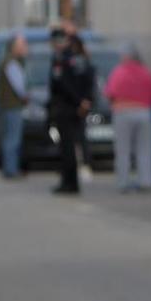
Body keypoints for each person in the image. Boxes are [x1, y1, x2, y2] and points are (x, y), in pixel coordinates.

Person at [104, 45, 151, 192]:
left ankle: (123, 181)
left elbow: (110, 93)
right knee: (145, 148)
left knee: (123, 150)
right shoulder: (146, 72)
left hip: (123, 111)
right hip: (144, 111)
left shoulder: (119, 72)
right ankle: (146, 181)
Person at [48, 27, 94, 195]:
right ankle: (70, 181)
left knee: (67, 147)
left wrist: (79, 102)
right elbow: (89, 81)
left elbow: (63, 85)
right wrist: (86, 102)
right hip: (77, 108)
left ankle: (69, 182)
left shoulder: (62, 59)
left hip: (66, 108)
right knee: (73, 145)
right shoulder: (81, 59)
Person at [0, 33, 30, 179]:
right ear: (14, 48)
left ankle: (10, 167)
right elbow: (19, 87)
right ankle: (11, 169)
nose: (25, 48)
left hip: (7, 105)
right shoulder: (11, 63)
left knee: (9, 137)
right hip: (12, 106)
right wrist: (25, 97)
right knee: (12, 138)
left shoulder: (9, 61)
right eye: (22, 45)